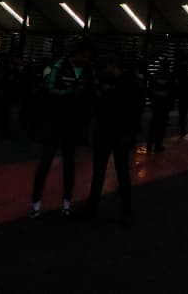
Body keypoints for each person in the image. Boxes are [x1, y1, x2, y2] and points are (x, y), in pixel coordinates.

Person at [30, 38, 96, 218]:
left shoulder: (89, 71)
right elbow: (49, 88)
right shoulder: (58, 66)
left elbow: (91, 94)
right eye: (83, 56)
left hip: (73, 124)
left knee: (70, 163)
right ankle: (35, 202)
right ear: (75, 53)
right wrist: (69, 94)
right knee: (46, 160)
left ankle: (67, 201)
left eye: (88, 57)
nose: (85, 60)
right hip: (54, 121)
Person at [82, 63, 137, 224]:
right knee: (120, 172)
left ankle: (94, 204)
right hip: (116, 133)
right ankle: (125, 209)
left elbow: (97, 106)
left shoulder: (104, 86)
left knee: (102, 170)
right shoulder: (125, 86)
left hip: (108, 132)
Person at [146, 64, 175, 152]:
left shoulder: (155, 77)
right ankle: (158, 145)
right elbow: (172, 92)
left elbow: (150, 89)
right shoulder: (170, 77)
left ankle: (149, 144)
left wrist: (152, 100)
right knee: (161, 126)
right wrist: (171, 104)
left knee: (153, 124)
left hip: (156, 104)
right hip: (164, 105)